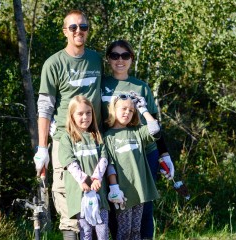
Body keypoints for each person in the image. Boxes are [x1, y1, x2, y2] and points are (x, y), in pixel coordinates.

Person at [33, 10, 104, 239]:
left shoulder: (96, 59)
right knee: (67, 201)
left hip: (95, 140)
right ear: (65, 31)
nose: (78, 31)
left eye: (83, 27)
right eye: (73, 27)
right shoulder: (53, 63)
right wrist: (42, 149)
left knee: (96, 203)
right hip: (66, 141)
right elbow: (45, 107)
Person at [101, 39, 175, 239]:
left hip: (144, 153)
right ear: (108, 59)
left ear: (131, 59)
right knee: (116, 206)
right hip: (112, 152)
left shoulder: (140, 87)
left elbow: (154, 123)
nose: (120, 60)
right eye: (115, 55)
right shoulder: (101, 84)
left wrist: (164, 154)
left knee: (145, 207)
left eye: (125, 56)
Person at [104, 92, 160, 240]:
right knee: (124, 231)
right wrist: (114, 187)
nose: (127, 113)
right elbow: (108, 164)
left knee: (136, 230)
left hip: (139, 190)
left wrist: (143, 109)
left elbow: (155, 129)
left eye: (131, 110)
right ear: (113, 109)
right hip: (122, 193)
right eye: (123, 109)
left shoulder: (137, 132)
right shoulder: (108, 136)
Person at [58, 95, 109, 239]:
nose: (85, 117)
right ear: (72, 116)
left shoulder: (97, 136)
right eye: (80, 113)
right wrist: (84, 181)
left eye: (88, 112)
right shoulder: (67, 138)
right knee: (86, 232)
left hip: (99, 193)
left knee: (102, 231)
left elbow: (104, 158)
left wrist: (96, 178)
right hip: (81, 195)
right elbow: (69, 162)